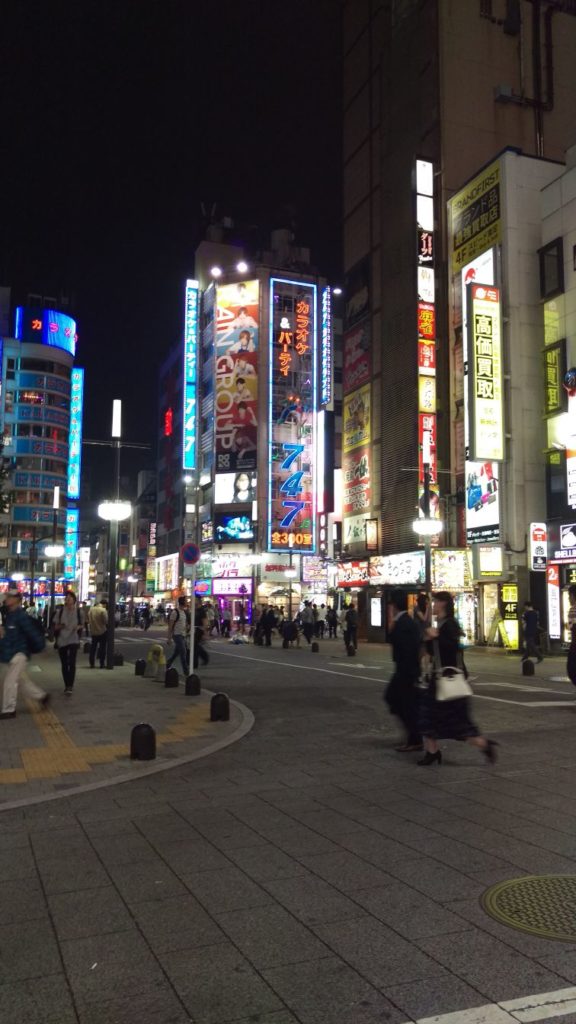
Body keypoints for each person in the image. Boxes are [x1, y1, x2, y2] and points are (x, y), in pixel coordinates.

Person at [418, 591, 498, 766]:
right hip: (439, 678)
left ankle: (484, 744)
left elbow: (453, 648)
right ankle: (432, 752)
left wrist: (435, 637)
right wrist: (430, 637)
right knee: (427, 715)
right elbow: (432, 651)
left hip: (449, 680)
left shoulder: (450, 625)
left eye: (435, 602)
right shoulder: (440, 624)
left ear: (443, 604)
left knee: (456, 723)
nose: (433, 605)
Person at [0, 589, 49, 719]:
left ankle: (8, 709)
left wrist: (41, 647)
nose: (7, 599)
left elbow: (32, 633)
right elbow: (8, 636)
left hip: (19, 653)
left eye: (10, 597)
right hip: (11, 653)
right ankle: (41, 696)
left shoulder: (20, 616)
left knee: (10, 681)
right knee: (20, 681)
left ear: (17, 599)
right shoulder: (10, 614)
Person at [384, 590, 422, 752]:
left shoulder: (403, 623)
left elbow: (407, 649)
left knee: (399, 701)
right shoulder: (406, 621)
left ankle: (415, 737)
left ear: (394, 606)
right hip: (407, 669)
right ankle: (414, 736)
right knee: (400, 701)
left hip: (406, 671)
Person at [53, 590, 84, 695]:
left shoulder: (79, 612)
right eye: (66, 598)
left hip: (73, 639)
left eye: (69, 598)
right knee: (64, 663)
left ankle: (70, 685)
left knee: (72, 662)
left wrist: (78, 627)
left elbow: (82, 624)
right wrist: (62, 625)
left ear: (74, 600)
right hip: (62, 640)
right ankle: (66, 684)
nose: (67, 599)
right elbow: (55, 626)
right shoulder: (60, 611)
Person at [166, 596, 191, 676]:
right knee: (183, 651)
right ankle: (186, 671)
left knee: (177, 652)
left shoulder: (184, 612)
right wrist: (169, 638)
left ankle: (168, 663)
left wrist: (187, 628)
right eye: (186, 601)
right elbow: (170, 626)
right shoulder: (175, 612)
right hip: (177, 635)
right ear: (182, 602)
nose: (187, 602)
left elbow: (185, 623)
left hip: (183, 635)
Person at [88, 598, 108, 669]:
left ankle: (92, 663)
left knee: (93, 648)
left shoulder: (91, 609)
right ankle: (101, 664)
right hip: (102, 631)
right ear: (104, 604)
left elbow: (89, 620)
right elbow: (105, 621)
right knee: (102, 648)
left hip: (93, 631)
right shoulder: (103, 610)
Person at [567, 585, 576, 686]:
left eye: (569, 596)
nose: (569, 599)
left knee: (572, 670)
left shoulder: (573, 610)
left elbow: (570, 626)